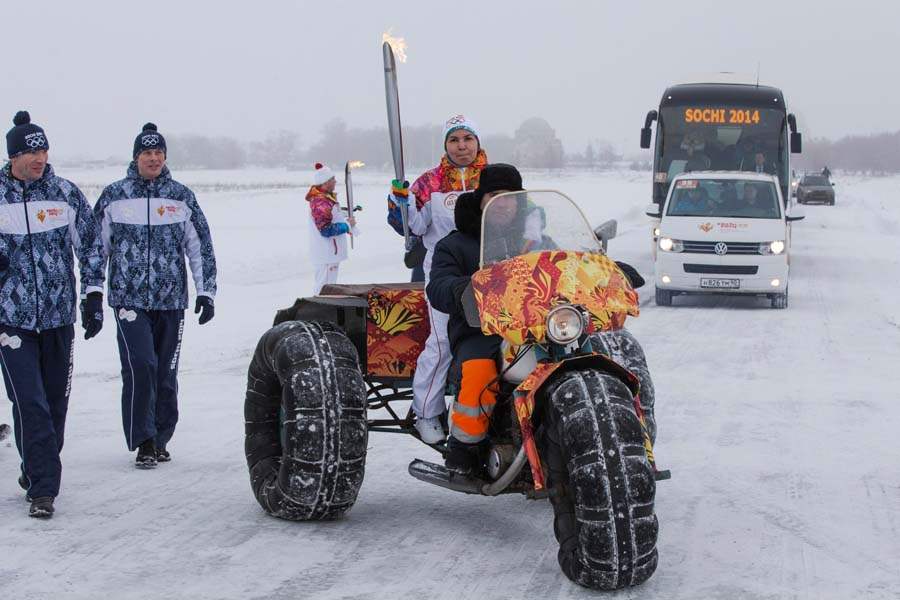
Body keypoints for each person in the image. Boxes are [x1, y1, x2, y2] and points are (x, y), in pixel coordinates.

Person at [0, 111, 105, 518]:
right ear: (13, 156)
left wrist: (93, 295)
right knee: (31, 403)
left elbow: (91, 246)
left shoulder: (64, 194)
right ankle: (44, 489)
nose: (39, 158)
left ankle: (35, 465)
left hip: (59, 318)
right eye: (31, 152)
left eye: (43, 150)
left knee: (54, 407)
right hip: (12, 321)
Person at [93, 123, 217, 469]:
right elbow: (96, 249)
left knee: (165, 370)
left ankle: (161, 437)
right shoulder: (115, 196)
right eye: (147, 153)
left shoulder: (180, 196)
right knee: (141, 365)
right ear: (136, 157)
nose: (154, 158)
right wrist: (93, 291)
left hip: (170, 300)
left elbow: (199, 246)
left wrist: (206, 291)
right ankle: (144, 440)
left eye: (159, 152)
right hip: (128, 299)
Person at [386, 115, 488, 443]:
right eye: (454, 140)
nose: (461, 146)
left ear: (477, 142)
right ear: (445, 145)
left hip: (490, 269)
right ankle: (427, 412)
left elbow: (519, 216)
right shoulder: (430, 182)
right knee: (443, 341)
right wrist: (400, 203)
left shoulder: (491, 178)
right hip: (445, 271)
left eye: (467, 138)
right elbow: (413, 227)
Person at [426, 163, 524, 474]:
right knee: (481, 372)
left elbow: (564, 266)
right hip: (478, 330)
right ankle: (465, 449)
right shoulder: (455, 244)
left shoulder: (534, 240)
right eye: (494, 196)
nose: (502, 203)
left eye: (509, 197)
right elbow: (437, 287)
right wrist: (461, 288)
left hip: (533, 330)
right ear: (481, 200)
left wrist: (603, 271)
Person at [306, 163, 356, 294]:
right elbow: (326, 229)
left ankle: (321, 306)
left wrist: (345, 213)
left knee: (327, 288)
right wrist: (347, 226)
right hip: (327, 253)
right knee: (324, 289)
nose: (335, 181)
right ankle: (318, 307)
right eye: (332, 179)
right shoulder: (321, 202)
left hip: (330, 253)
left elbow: (331, 215)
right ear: (325, 182)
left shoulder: (325, 199)